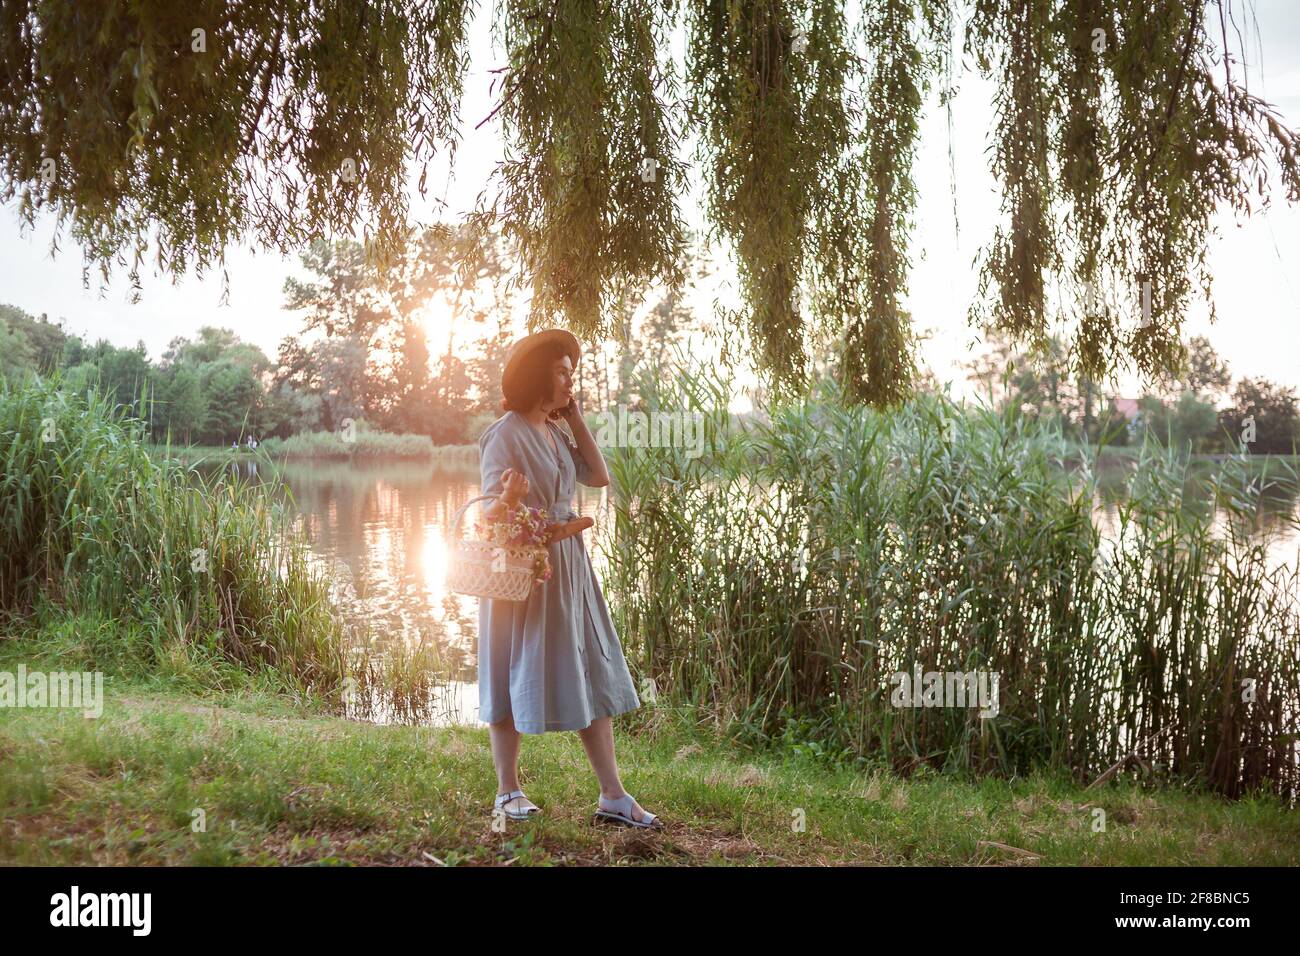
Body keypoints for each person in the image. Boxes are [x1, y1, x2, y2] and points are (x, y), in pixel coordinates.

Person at [475, 328, 663, 830]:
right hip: (522, 572)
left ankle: (613, 796)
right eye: (562, 372)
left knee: (589, 669)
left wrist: (574, 415)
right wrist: (510, 500)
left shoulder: (555, 432)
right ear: (539, 376)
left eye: (571, 372)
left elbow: (598, 476)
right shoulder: (505, 433)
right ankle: (507, 790)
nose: (569, 379)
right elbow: (489, 517)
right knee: (509, 665)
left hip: (569, 567)